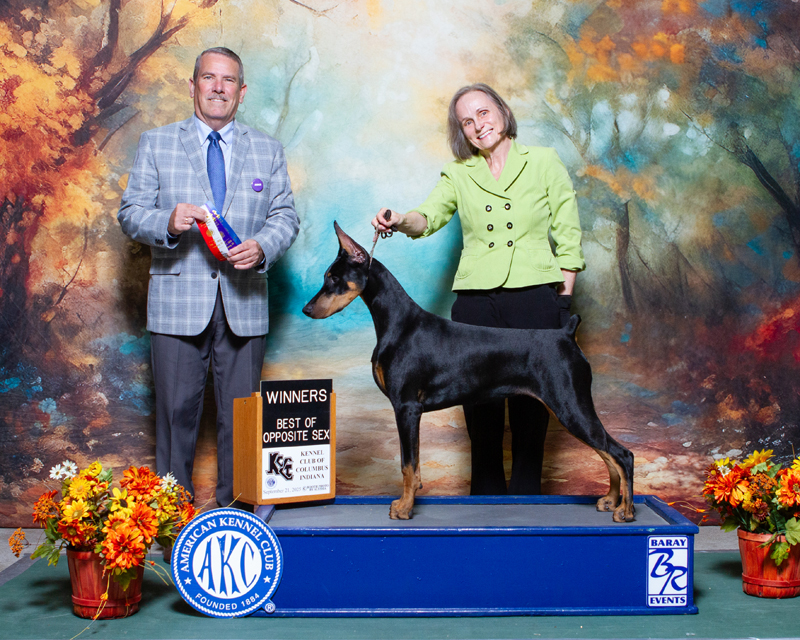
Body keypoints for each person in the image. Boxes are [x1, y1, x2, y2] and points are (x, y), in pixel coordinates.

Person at [371, 83, 584, 495]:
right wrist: (399, 218)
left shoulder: (543, 161)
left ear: (502, 112)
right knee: (482, 427)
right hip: (475, 308)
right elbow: (428, 217)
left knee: (531, 423)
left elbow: (568, 233)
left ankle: (526, 517)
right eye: (466, 121)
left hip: (535, 302)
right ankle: (484, 517)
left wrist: (562, 301)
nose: (477, 125)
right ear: (462, 132)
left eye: (483, 113)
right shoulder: (457, 173)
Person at [118, 47, 300, 509]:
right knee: (175, 417)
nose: (218, 87)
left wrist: (263, 246)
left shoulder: (268, 149)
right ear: (194, 84)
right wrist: (167, 220)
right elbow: (130, 213)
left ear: (241, 92)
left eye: (228, 80)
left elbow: (285, 217)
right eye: (208, 78)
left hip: (245, 303)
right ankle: (169, 526)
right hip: (177, 304)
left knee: (242, 422)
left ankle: (237, 521)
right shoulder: (156, 143)